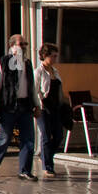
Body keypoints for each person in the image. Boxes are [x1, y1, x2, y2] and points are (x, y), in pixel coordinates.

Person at [0, 34, 40, 180]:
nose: (24, 47)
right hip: (9, 106)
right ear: (12, 46)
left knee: (28, 139)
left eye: (25, 44)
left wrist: (36, 105)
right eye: (21, 44)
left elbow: (31, 87)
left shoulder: (27, 64)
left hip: (25, 105)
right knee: (5, 137)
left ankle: (25, 170)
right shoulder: (2, 63)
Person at [35, 42, 69, 179]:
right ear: (45, 56)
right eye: (53, 56)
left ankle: (46, 156)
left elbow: (59, 90)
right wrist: (37, 106)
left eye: (56, 56)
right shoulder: (38, 72)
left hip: (56, 108)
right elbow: (36, 90)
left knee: (59, 136)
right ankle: (48, 167)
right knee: (46, 136)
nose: (55, 59)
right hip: (44, 108)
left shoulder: (55, 72)